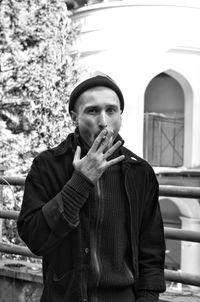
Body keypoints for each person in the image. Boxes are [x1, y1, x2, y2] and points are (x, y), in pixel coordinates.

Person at [17, 73, 166, 302]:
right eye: (93, 111)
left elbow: (151, 251)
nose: (104, 121)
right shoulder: (48, 165)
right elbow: (35, 238)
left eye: (111, 110)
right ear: (74, 117)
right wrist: (81, 181)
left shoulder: (140, 172)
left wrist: (147, 297)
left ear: (121, 116)